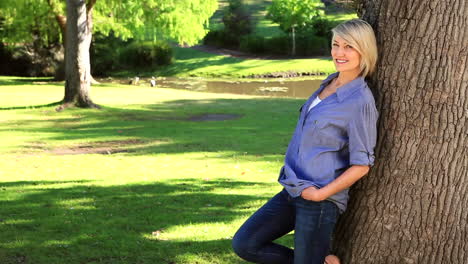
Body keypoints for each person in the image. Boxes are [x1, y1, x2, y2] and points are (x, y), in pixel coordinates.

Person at [231, 19, 379, 264]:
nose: (339, 53)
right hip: (292, 188)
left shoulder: (360, 101)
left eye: (349, 47)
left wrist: (321, 195)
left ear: (364, 50)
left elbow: (362, 164)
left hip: (319, 200)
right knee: (245, 243)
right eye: (336, 45)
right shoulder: (329, 83)